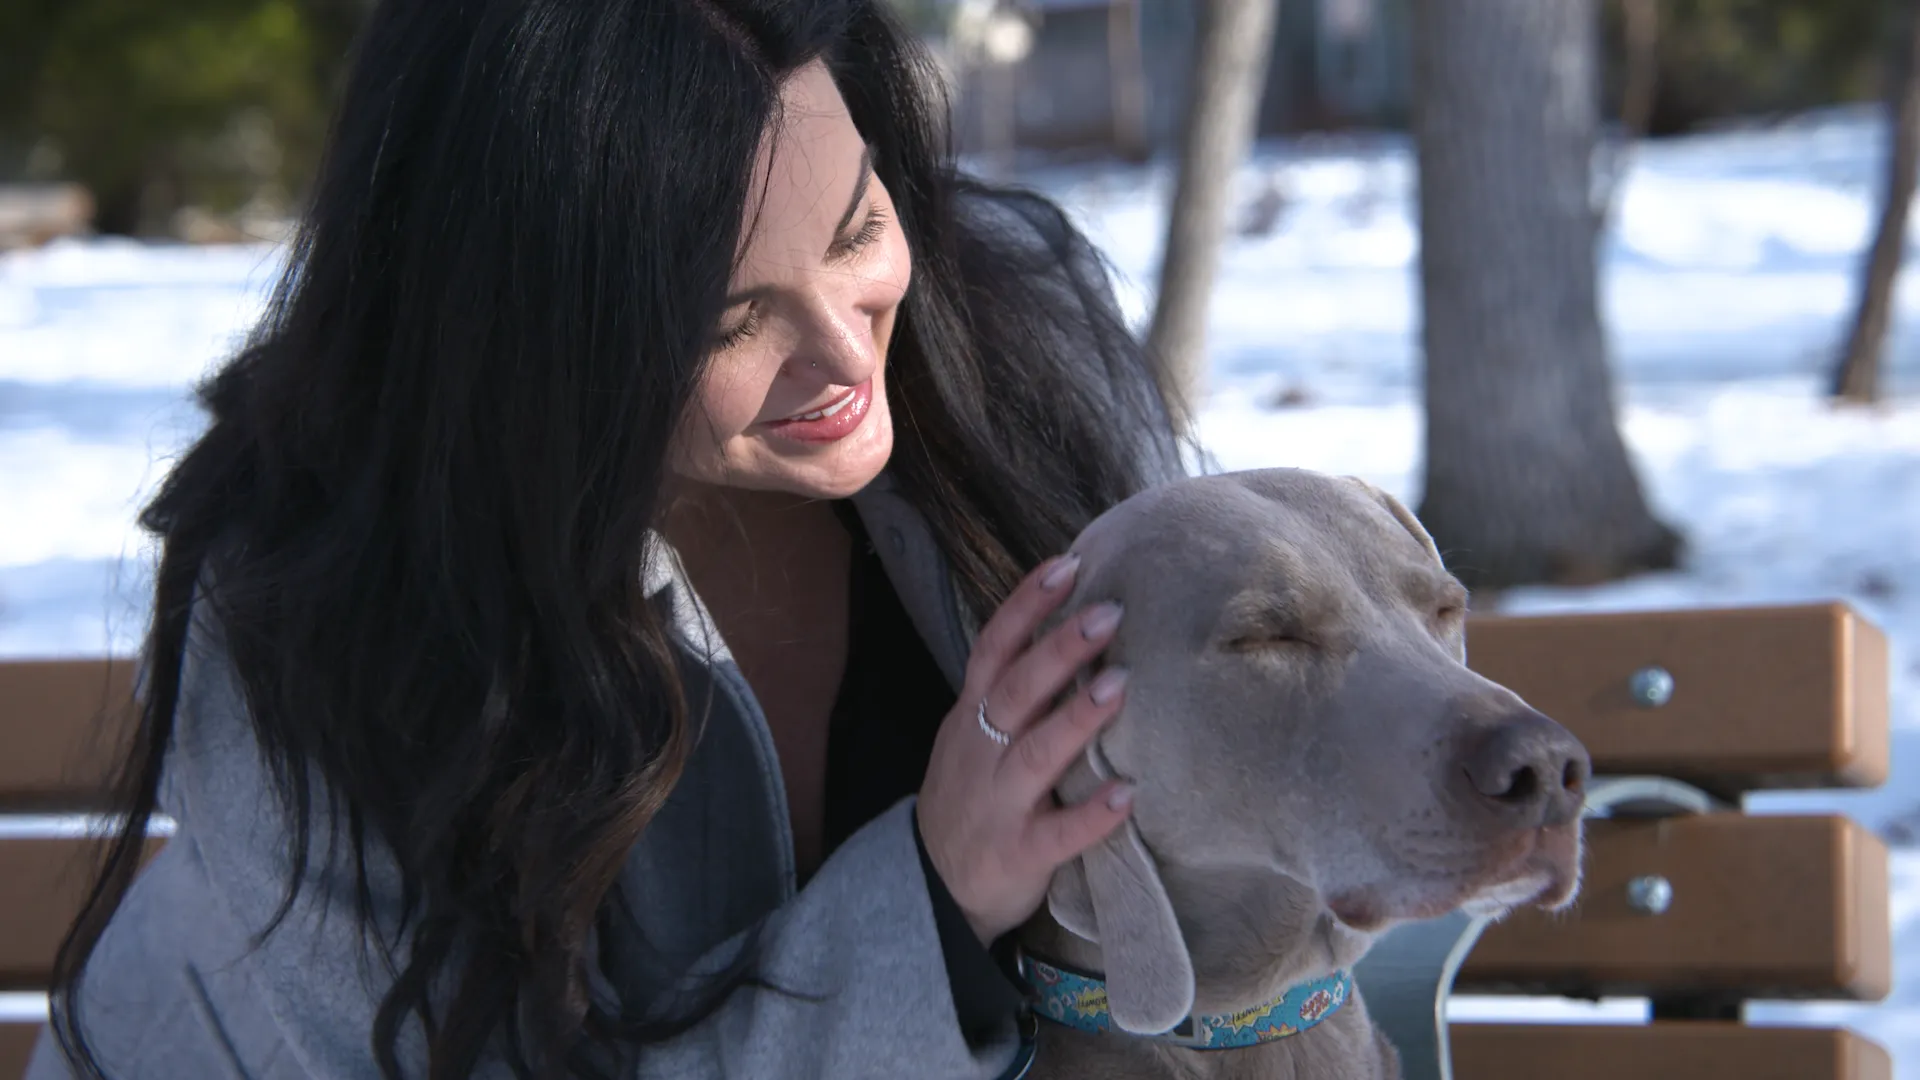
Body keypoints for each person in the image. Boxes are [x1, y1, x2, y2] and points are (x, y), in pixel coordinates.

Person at [33, 0, 1186, 1077]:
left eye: (855, 232)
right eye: (730, 319)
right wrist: (934, 903)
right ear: (525, 338)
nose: (845, 354)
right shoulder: (318, 617)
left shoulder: (1019, 360)